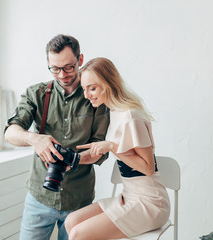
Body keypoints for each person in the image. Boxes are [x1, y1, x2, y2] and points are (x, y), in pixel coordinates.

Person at [4, 35, 109, 240]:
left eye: (69, 67)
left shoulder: (95, 96)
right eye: (55, 68)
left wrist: (75, 159)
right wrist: (35, 139)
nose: (62, 75)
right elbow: (10, 132)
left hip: (79, 199)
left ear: (80, 60)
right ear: (48, 64)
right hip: (39, 196)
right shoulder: (37, 94)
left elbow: (101, 147)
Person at [64, 57, 171, 240]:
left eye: (92, 88)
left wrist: (112, 147)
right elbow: (111, 150)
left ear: (108, 84)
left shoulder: (131, 116)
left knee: (78, 235)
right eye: (84, 88)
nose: (87, 95)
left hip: (150, 203)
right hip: (129, 196)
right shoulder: (114, 111)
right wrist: (71, 160)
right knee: (71, 221)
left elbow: (148, 168)